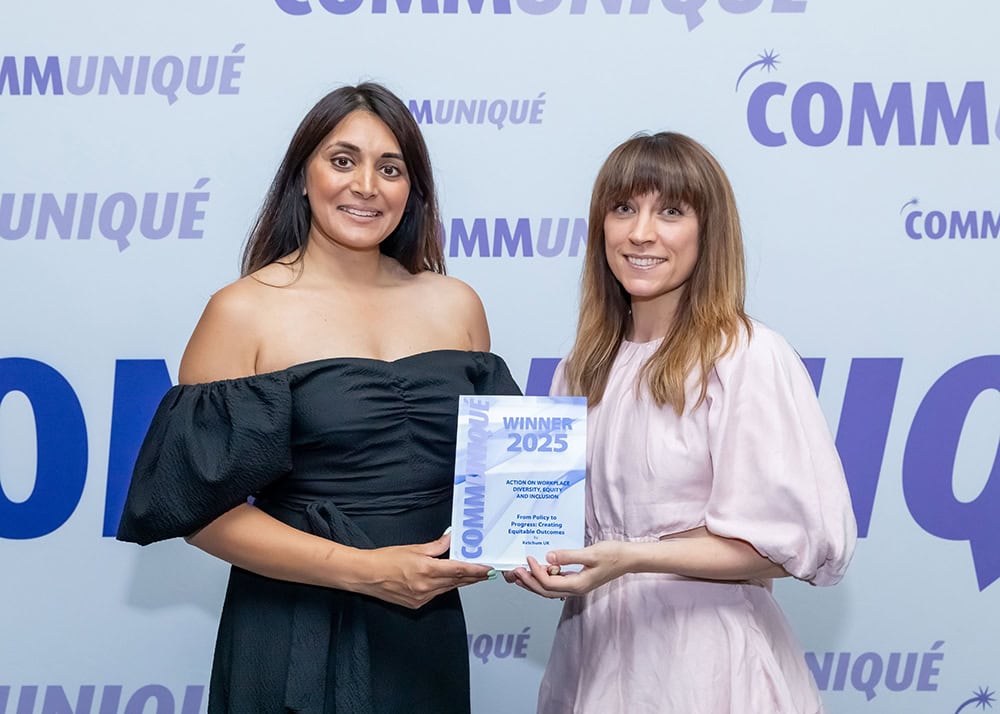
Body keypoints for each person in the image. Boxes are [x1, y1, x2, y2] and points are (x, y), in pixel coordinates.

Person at [117, 82, 520, 714]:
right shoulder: (242, 310)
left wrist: (535, 545)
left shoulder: (457, 305)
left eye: (390, 168)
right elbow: (198, 512)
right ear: (302, 177)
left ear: (412, 190)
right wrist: (366, 571)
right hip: (291, 631)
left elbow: (502, 491)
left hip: (424, 629)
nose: (366, 185)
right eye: (342, 160)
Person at [507, 132, 857, 713]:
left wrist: (632, 556)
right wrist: (525, 554)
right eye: (624, 208)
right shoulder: (581, 367)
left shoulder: (745, 355)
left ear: (707, 232)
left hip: (708, 667)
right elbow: (556, 527)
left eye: (671, 211)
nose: (641, 233)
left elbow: (792, 544)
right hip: (593, 657)